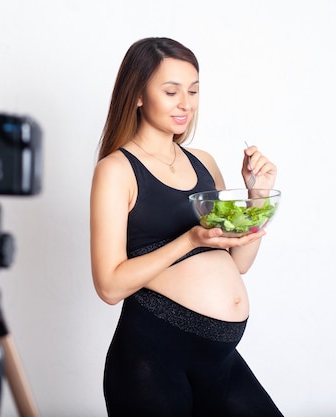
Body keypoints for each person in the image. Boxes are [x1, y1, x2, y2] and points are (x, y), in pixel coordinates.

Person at [90, 37, 283, 416]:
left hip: (220, 361)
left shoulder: (204, 162)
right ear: (139, 95)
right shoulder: (116, 170)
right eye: (171, 91)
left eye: (193, 91)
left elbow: (237, 263)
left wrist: (256, 195)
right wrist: (190, 239)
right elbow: (109, 286)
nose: (186, 104)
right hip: (152, 360)